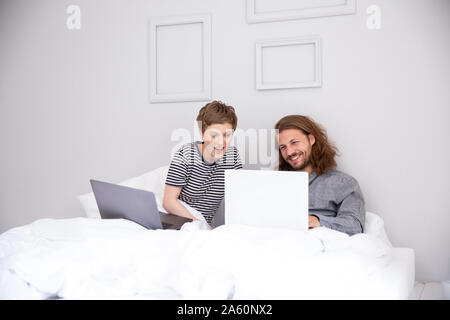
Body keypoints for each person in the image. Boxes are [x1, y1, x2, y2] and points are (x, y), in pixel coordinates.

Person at [275, 115, 365, 236]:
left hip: (319, 242)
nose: (289, 152)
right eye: (283, 147)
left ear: (311, 139)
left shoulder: (344, 183)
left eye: (294, 142)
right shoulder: (276, 183)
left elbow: (354, 225)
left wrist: (317, 220)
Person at [163, 101, 242, 226]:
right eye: (214, 135)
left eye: (227, 135)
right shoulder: (185, 155)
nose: (221, 142)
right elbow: (168, 202)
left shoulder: (233, 158)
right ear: (202, 133)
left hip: (203, 229)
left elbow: (238, 198)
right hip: (179, 223)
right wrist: (201, 226)